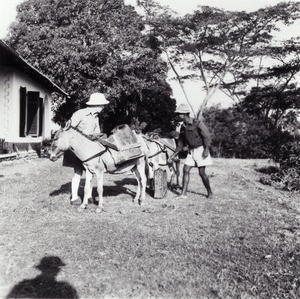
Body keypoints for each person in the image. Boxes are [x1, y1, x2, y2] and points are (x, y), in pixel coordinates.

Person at [62, 92, 109, 205]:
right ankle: (74, 198)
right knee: (78, 172)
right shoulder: (80, 114)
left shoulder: (96, 117)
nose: (103, 107)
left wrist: (99, 136)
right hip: (76, 148)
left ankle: (88, 196)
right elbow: (68, 129)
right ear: (96, 105)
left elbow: (96, 132)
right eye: (102, 105)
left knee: (90, 172)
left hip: (89, 150)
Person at [168, 103, 213, 199]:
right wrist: (173, 155)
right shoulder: (183, 127)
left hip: (201, 150)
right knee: (185, 170)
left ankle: (210, 192)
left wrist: (206, 149)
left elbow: (207, 136)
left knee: (201, 173)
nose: (178, 115)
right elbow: (180, 143)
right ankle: (183, 194)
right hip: (191, 151)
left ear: (184, 114)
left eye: (179, 113)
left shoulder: (197, 123)